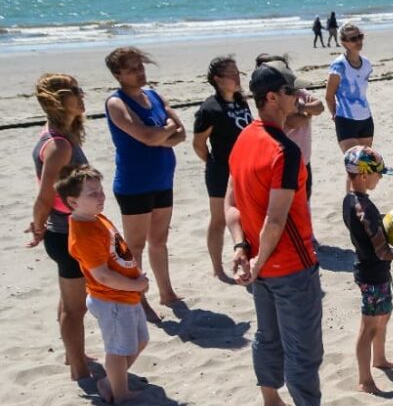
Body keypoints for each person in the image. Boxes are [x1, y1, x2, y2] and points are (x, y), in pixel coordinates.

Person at [226, 63, 326, 406]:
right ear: (272, 98)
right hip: (287, 263)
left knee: (268, 335)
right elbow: (276, 218)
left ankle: (271, 401)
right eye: (290, 92)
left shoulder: (244, 139)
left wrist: (241, 248)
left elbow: (230, 205)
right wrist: (257, 258)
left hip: (260, 262)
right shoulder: (283, 151)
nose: (297, 98)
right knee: (303, 344)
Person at [103, 46, 184, 323]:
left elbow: (180, 133)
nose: (139, 73)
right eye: (132, 69)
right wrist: (163, 132)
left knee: (159, 241)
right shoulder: (117, 103)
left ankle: (166, 292)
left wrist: (162, 133)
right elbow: (147, 137)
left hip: (162, 178)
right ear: (118, 75)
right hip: (135, 183)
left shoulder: (153, 95)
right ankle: (137, 298)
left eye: (140, 67)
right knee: (134, 246)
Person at [61, 166, 150, 404]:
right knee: (118, 349)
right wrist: (136, 286)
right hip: (112, 299)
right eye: (92, 194)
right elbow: (102, 276)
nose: (100, 196)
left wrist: (137, 277)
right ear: (73, 201)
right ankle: (120, 394)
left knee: (140, 340)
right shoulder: (83, 233)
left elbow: (120, 251)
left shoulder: (96, 218)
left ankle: (110, 381)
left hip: (126, 295)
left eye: (100, 190)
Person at [29, 73, 92, 380]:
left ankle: (72, 355)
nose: (82, 95)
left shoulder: (61, 136)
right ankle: (78, 369)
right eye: (75, 92)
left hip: (67, 230)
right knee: (74, 309)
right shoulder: (59, 146)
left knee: (69, 301)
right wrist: (39, 227)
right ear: (57, 101)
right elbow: (44, 196)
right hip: (66, 234)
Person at [341, 146, 393, 394]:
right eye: (378, 173)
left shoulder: (351, 200)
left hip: (374, 272)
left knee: (384, 316)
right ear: (363, 175)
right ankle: (364, 380)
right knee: (368, 326)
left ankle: (379, 359)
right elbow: (382, 251)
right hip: (371, 274)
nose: (380, 178)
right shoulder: (363, 208)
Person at [193, 56, 254, 283]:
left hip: (246, 169)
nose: (238, 78)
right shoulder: (210, 108)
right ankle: (217, 268)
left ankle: (247, 258)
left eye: (239, 73)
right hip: (221, 171)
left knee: (246, 217)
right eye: (233, 74)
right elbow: (199, 144)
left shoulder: (240, 101)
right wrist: (212, 162)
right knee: (218, 219)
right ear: (218, 79)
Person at [256, 55, 324, 207]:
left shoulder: (295, 91)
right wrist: (308, 114)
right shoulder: (274, 101)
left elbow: (319, 107)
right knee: (289, 207)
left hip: (304, 161)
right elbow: (293, 122)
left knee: (304, 202)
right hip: (286, 162)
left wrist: (300, 109)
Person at [326, 23, 373, 159]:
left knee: (365, 166)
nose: (358, 41)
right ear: (344, 43)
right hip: (345, 120)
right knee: (354, 165)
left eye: (360, 37)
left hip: (365, 118)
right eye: (353, 39)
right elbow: (329, 96)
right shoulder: (339, 65)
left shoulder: (367, 64)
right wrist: (335, 114)